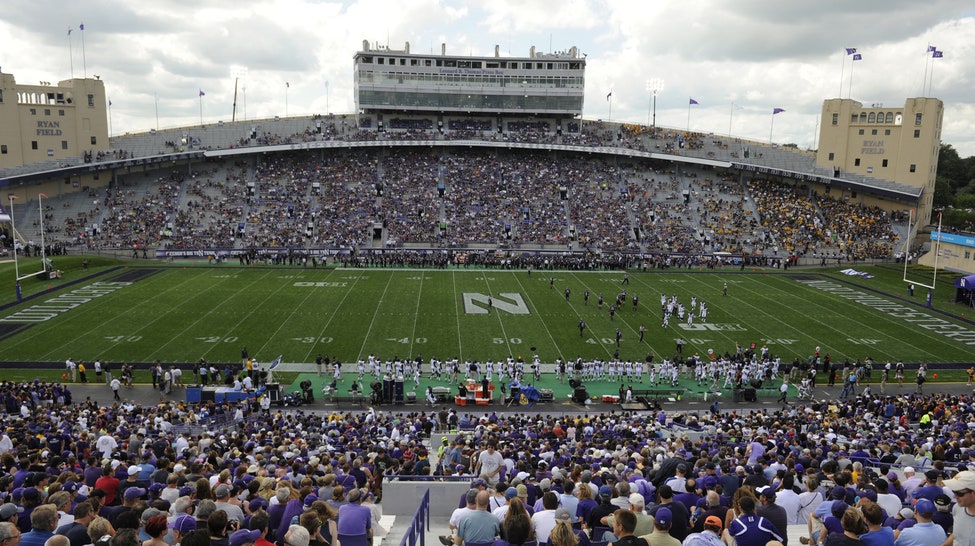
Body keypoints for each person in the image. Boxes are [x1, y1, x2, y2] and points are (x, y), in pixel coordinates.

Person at [942, 470, 975, 546]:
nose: (954, 496)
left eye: (959, 494)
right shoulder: (957, 508)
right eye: (954, 492)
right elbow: (957, 534)